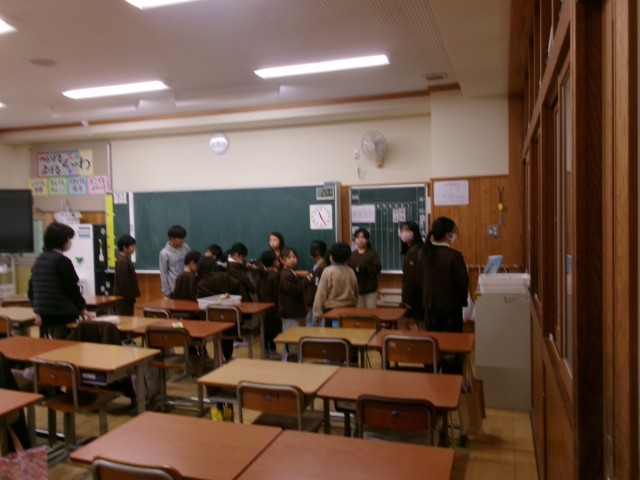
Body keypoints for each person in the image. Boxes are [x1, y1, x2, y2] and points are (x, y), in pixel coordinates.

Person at [420, 216, 469, 374]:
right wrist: (463, 301)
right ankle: (451, 381)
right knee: (451, 349)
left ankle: (431, 377)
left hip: (429, 307)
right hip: (450, 309)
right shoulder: (454, 256)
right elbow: (462, 283)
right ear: (448, 235)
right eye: (453, 232)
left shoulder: (424, 254)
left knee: (431, 347)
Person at [28, 223, 93, 339]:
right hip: (63, 313)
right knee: (66, 345)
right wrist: (82, 307)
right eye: (69, 239)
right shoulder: (62, 261)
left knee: (54, 345)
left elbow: (31, 290)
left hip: (45, 315)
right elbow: (72, 289)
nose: (70, 242)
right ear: (63, 241)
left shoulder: (39, 260)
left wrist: (37, 310)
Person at [196, 256, 242, 362]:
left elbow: (199, 298)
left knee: (217, 335)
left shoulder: (201, 283)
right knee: (227, 335)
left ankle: (217, 358)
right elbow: (237, 284)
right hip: (227, 311)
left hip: (210, 316)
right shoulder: (224, 276)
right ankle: (228, 356)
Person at [312, 242, 358, 326]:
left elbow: (321, 294)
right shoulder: (351, 271)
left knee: (332, 333)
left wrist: (317, 313)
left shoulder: (328, 271)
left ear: (331, 257)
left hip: (331, 310)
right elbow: (356, 292)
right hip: (349, 308)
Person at [278, 247, 312, 360]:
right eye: (289, 257)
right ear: (282, 260)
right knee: (290, 336)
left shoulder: (290, 272)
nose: (293, 260)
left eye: (294, 257)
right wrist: (306, 280)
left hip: (292, 310)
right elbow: (293, 290)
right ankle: (289, 359)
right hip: (289, 311)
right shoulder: (285, 274)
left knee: (292, 335)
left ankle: (291, 357)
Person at [347, 228, 382, 308]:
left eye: (363, 237)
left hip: (370, 288)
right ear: (355, 240)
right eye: (358, 237)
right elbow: (348, 270)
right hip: (357, 289)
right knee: (359, 312)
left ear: (367, 240)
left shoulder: (373, 254)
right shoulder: (352, 255)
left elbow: (378, 268)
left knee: (371, 311)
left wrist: (365, 268)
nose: (360, 240)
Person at [399, 220, 425, 327]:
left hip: (416, 296)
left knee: (405, 322)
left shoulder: (414, 251)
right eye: (402, 230)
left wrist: (407, 300)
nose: (404, 233)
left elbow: (411, 278)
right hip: (420, 294)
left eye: (407, 230)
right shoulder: (416, 248)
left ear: (415, 232)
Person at [256, 250, 281, 357]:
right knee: (272, 329)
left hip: (262, 305)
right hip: (273, 306)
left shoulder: (261, 273)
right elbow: (277, 293)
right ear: (274, 261)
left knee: (265, 329)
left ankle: (265, 349)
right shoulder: (274, 275)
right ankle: (273, 350)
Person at [159, 225, 190, 298]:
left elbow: (190, 262)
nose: (183, 240)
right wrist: (166, 291)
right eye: (180, 238)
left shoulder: (185, 247)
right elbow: (163, 273)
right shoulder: (164, 253)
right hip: (174, 287)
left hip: (187, 285)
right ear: (172, 238)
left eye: (183, 238)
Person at [113, 234, 141, 315]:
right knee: (125, 319)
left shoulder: (124, 260)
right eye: (132, 246)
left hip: (126, 297)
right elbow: (124, 282)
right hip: (124, 298)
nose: (134, 248)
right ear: (124, 248)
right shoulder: (123, 262)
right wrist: (131, 295)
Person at [305, 239, 327, 326]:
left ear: (316, 251)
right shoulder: (319, 265)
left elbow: (317, 285)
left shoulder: (322, 267)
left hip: (318, 300)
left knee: (316, 324)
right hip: (314, 300)